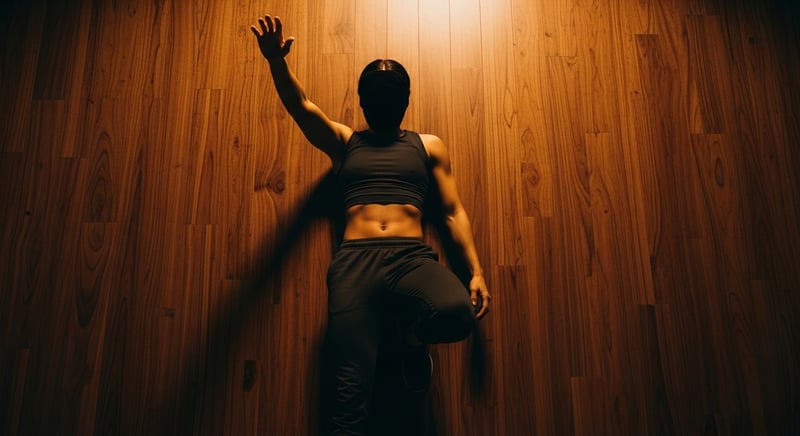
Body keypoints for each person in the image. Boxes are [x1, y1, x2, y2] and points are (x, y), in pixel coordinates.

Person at [251, 15, 491, 435]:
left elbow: (452, 211)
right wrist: (276, 62)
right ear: (364, 102)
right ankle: (391, 348)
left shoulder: (427, 145)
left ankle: (411, 344)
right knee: (349, 395)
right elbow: (301, 108)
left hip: (411, 259)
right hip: (355, 265)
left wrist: (476, 271)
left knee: (457, 315)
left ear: (404, 102)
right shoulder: (345, 143)